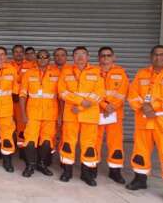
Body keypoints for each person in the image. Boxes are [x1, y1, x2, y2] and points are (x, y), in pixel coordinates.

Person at [126, 45, 163, 203]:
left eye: (162, 55)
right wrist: (143, 107)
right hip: (144, 120)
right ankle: (140, 180)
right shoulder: (142, 73)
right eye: (155, 54)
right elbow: (132, 94)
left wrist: (153, 106)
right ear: (150, 56)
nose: (158, 57)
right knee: (140, 152)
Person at [58, 46, 105, 186]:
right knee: (68, 143)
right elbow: (62, 91)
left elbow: (99, 93)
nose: (80, 57)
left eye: (83, 54)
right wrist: (79, 102)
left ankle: (87, 174)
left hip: (89, 115)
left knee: (89, 145)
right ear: (73, 57)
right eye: (77, 54)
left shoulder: (97, 71)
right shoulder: (66, 71)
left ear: (88, 57)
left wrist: (81, 106)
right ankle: (67, 172)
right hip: (71, 114)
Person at [19, 49, 60, 177]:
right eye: (40, 57)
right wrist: (23, 115)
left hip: (50, 113)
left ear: (49, 59)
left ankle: (41, 164)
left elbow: (61, 96)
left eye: (45, 57)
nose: (43, 59)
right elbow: (22, 95)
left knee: (47, 141)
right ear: (36, 59)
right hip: (33, 113)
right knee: (30, 140)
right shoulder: (29, 73)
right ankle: (30, 165)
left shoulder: (57, 73)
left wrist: (61, 115)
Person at [95, 46, 129, 183]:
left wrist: (112, 106)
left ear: (113, 57)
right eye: (103, 56)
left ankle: (115, 171)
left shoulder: (121, 73)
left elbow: (123, 92)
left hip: (115, 114)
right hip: (97, 112)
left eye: (108, 55)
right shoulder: (93, 72)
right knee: (94, 140)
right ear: (99, 58)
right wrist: (104, 105)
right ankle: (92, 167)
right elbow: (91, 90)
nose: (105, 58)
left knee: (115, 143)